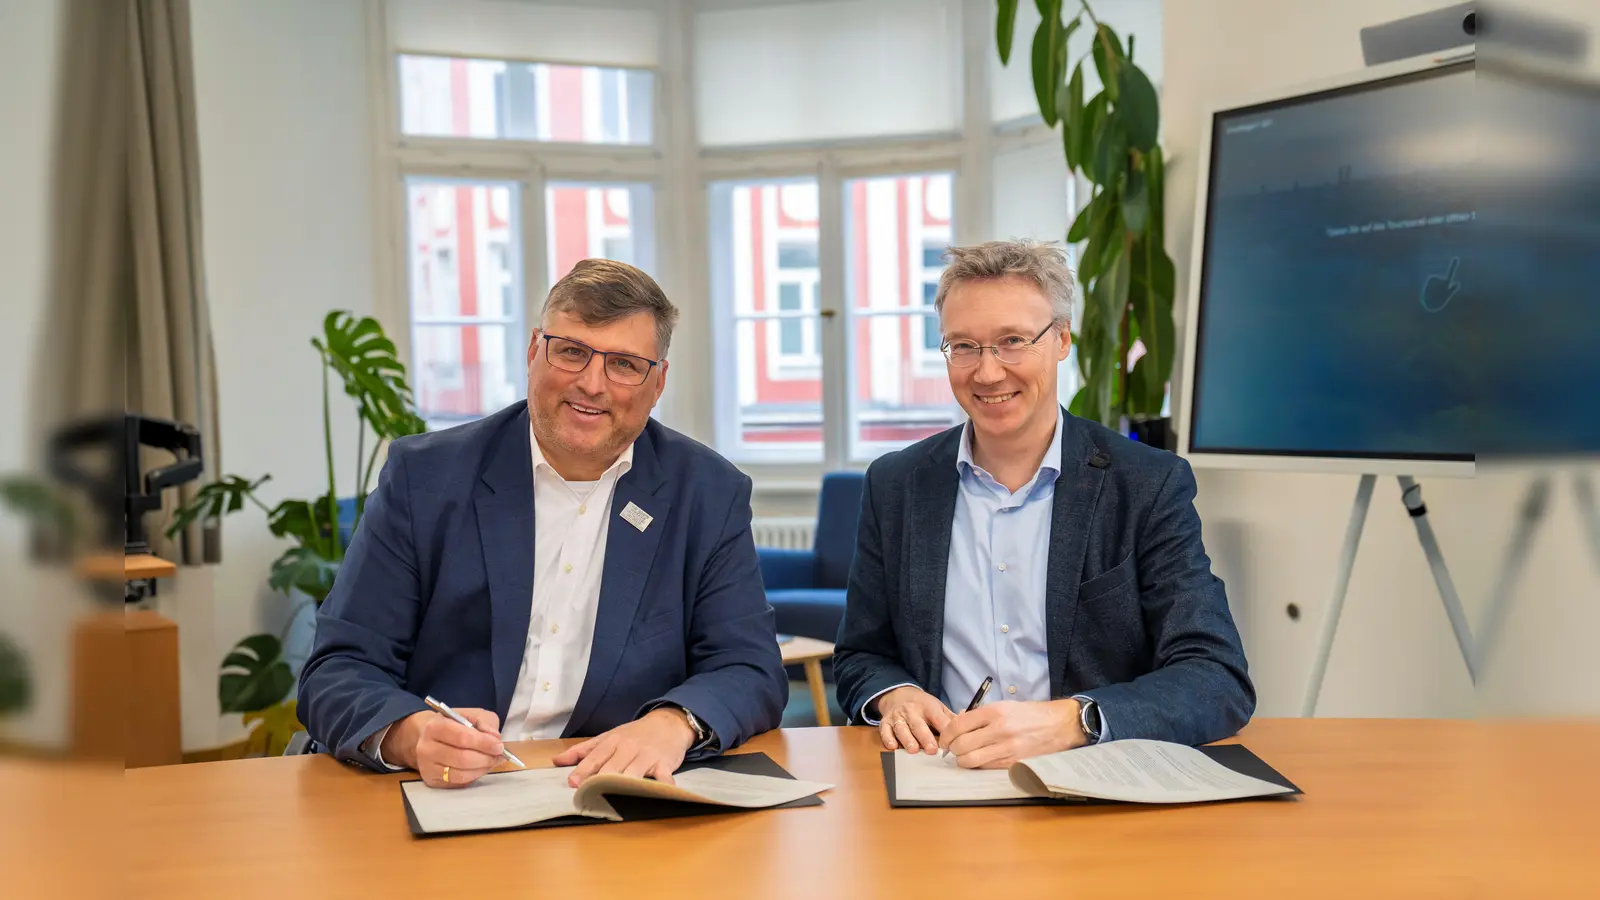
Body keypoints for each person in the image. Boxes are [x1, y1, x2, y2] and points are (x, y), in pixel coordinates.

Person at [300, 259, 788, 788]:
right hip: (439, 789)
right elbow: (339, 667)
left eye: (624, 364)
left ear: (658, 381)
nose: (592, 384)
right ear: (535, 351)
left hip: (603, 796)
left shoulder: (707, 493)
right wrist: (411, 734)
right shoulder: (426, 479)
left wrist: (671, 724)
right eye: (572, 351)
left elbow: (749, 668)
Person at [833, 239, 1254, 769]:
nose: (987, 373)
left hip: (1098, 785)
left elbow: (1216, 677)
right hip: (943, 780)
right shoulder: (896, 484)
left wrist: (1074, 720)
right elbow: (861, 654)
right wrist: (893, 694)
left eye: (1011, 341)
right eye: (963, 346)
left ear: (1060, 340)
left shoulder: (1146, 483)